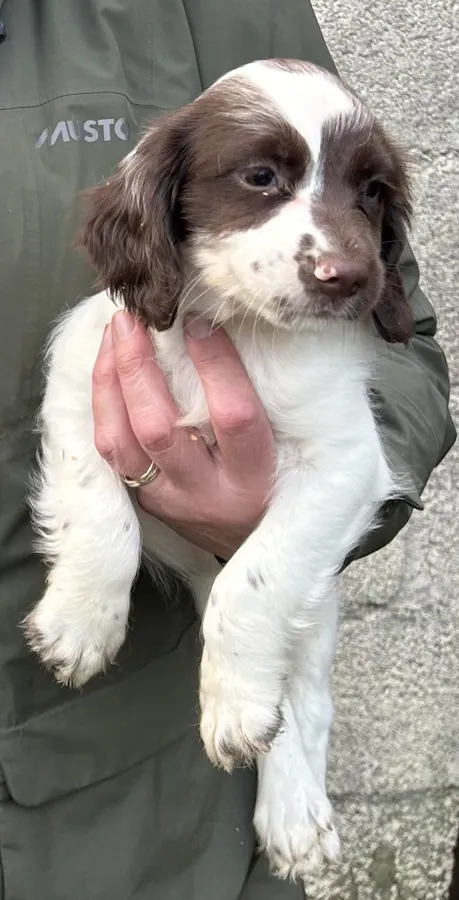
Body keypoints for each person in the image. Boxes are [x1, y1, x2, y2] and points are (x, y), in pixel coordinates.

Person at [0, 2, 455, 898]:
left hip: (144, 788)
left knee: (289, 617)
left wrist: (243, 584)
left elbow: (358, 457)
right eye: (261, 177)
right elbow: (74, 391)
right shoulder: (130, 271)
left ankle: (297, 761)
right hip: (87, 727)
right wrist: (95, 562)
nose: (338, 253)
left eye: (366, 195)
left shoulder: (214, 11)